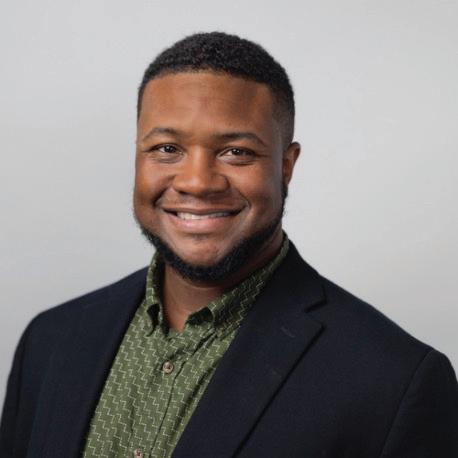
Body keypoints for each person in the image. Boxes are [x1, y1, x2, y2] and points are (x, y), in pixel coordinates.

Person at [1, 31, 457, 458]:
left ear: (286, 166)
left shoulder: (395, 382)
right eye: (166, 149)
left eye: (236, 152)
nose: (197, 182)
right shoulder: (51, 341)